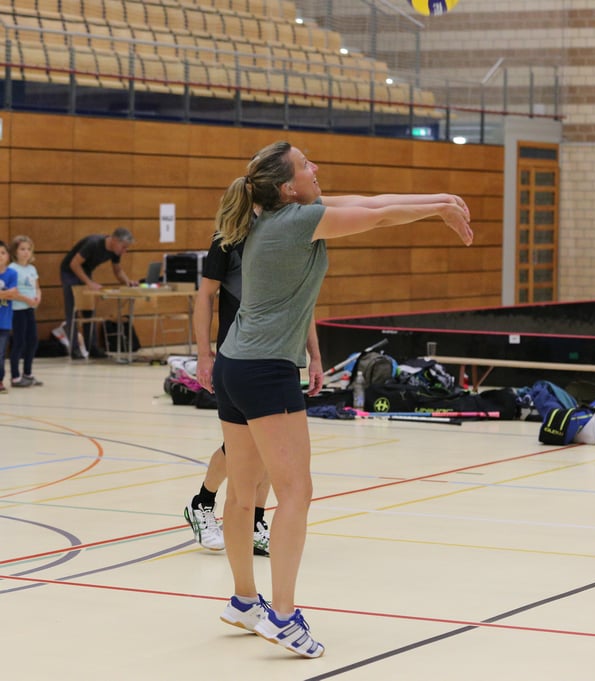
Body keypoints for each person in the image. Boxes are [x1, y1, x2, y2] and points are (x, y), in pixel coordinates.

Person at [211, 140, 472, 658]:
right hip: (265, 370)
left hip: (234, 364)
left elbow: (370, 201)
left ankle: (244, 601)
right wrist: (438, 207)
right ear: (289, 187)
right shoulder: (297, 221)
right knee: (296, 492)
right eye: (306, 164)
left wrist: (440, 200)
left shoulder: (272, 217)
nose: (316, 168)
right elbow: (377, 216)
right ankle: (283, 616)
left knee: (243, 493)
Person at [184, 233, 272, 556]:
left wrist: (313, 355)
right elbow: (206, 295)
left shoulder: (284, 229)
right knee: (241, 445)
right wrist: (203, 354)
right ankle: (203, 502)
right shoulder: (227, 239)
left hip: (276, 353)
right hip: (237, 355)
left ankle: (255, 522)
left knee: (269, 444)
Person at [59, 227, 136, 359]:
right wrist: (89, 282)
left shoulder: (115, 251)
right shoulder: (93, 243)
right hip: (70, 271)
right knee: (73, 309)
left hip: (85, 271)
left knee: (89, 310)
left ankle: (92, 347)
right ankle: (74, 349)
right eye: (124, 247)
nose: (125, 251)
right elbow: (74, 264)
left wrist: (128, 282)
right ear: (114, 240)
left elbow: (118, 271)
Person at [8, 236, 42, 387]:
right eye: (22, 249)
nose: (26, 252)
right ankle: (15, 377)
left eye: (28, 249)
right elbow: (12, 292)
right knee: (19, 342)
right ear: (15, 251)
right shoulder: (12, 269)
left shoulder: (31, 269)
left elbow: (37, 287)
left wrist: (38, 297)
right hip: (17, 310)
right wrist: (27, 300)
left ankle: (27, 373)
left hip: (29, 310)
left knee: (32, 340)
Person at [0, 240, 19, 394]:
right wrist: (5, 293)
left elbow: (13, 293)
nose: (0, 256)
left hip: (4, 322)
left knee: (0, 353)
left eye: (3, 253)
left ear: (8, 256)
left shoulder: (12, 274)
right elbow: (9, 293)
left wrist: (7, 294)